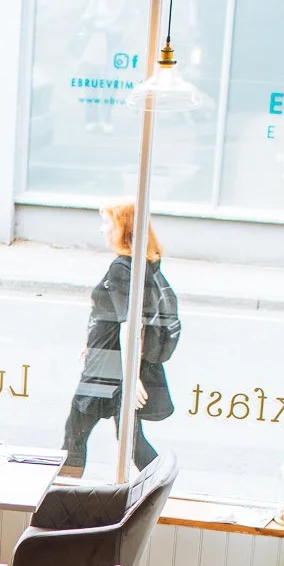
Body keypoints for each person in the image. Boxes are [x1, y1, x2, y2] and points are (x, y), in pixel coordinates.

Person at [59, 202, 180, 478]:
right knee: (131, 441)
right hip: (109, 361)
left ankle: (63, 495)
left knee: (75, 434)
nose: (103, 228)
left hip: (108, 371)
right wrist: (92, 343)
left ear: (123, 228)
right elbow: (115, 317)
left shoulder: (121, 269)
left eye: (107, 222)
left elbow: (131, 326)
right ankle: (160, 486)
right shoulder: (142, 264)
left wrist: (131, 377)